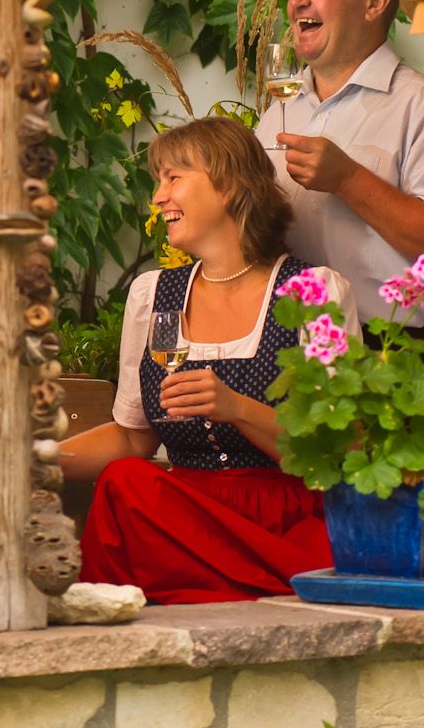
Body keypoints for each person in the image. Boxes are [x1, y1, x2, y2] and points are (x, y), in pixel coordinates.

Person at [59, 117, 345, 604]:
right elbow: (132, 437)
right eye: (158, 181)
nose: (158, 197)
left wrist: (237, 408)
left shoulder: (313, 291)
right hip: (181, 519)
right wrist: (38, 460)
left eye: (174, 178)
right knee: (126, 481)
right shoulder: (154, 295)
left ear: (231, 184)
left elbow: (332, 455)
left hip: (283, 526)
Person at [261, 0, 424, 377]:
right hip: (293, 353)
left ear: (374, 2)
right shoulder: (279, 108)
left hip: (393, 358)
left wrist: (347, 179)